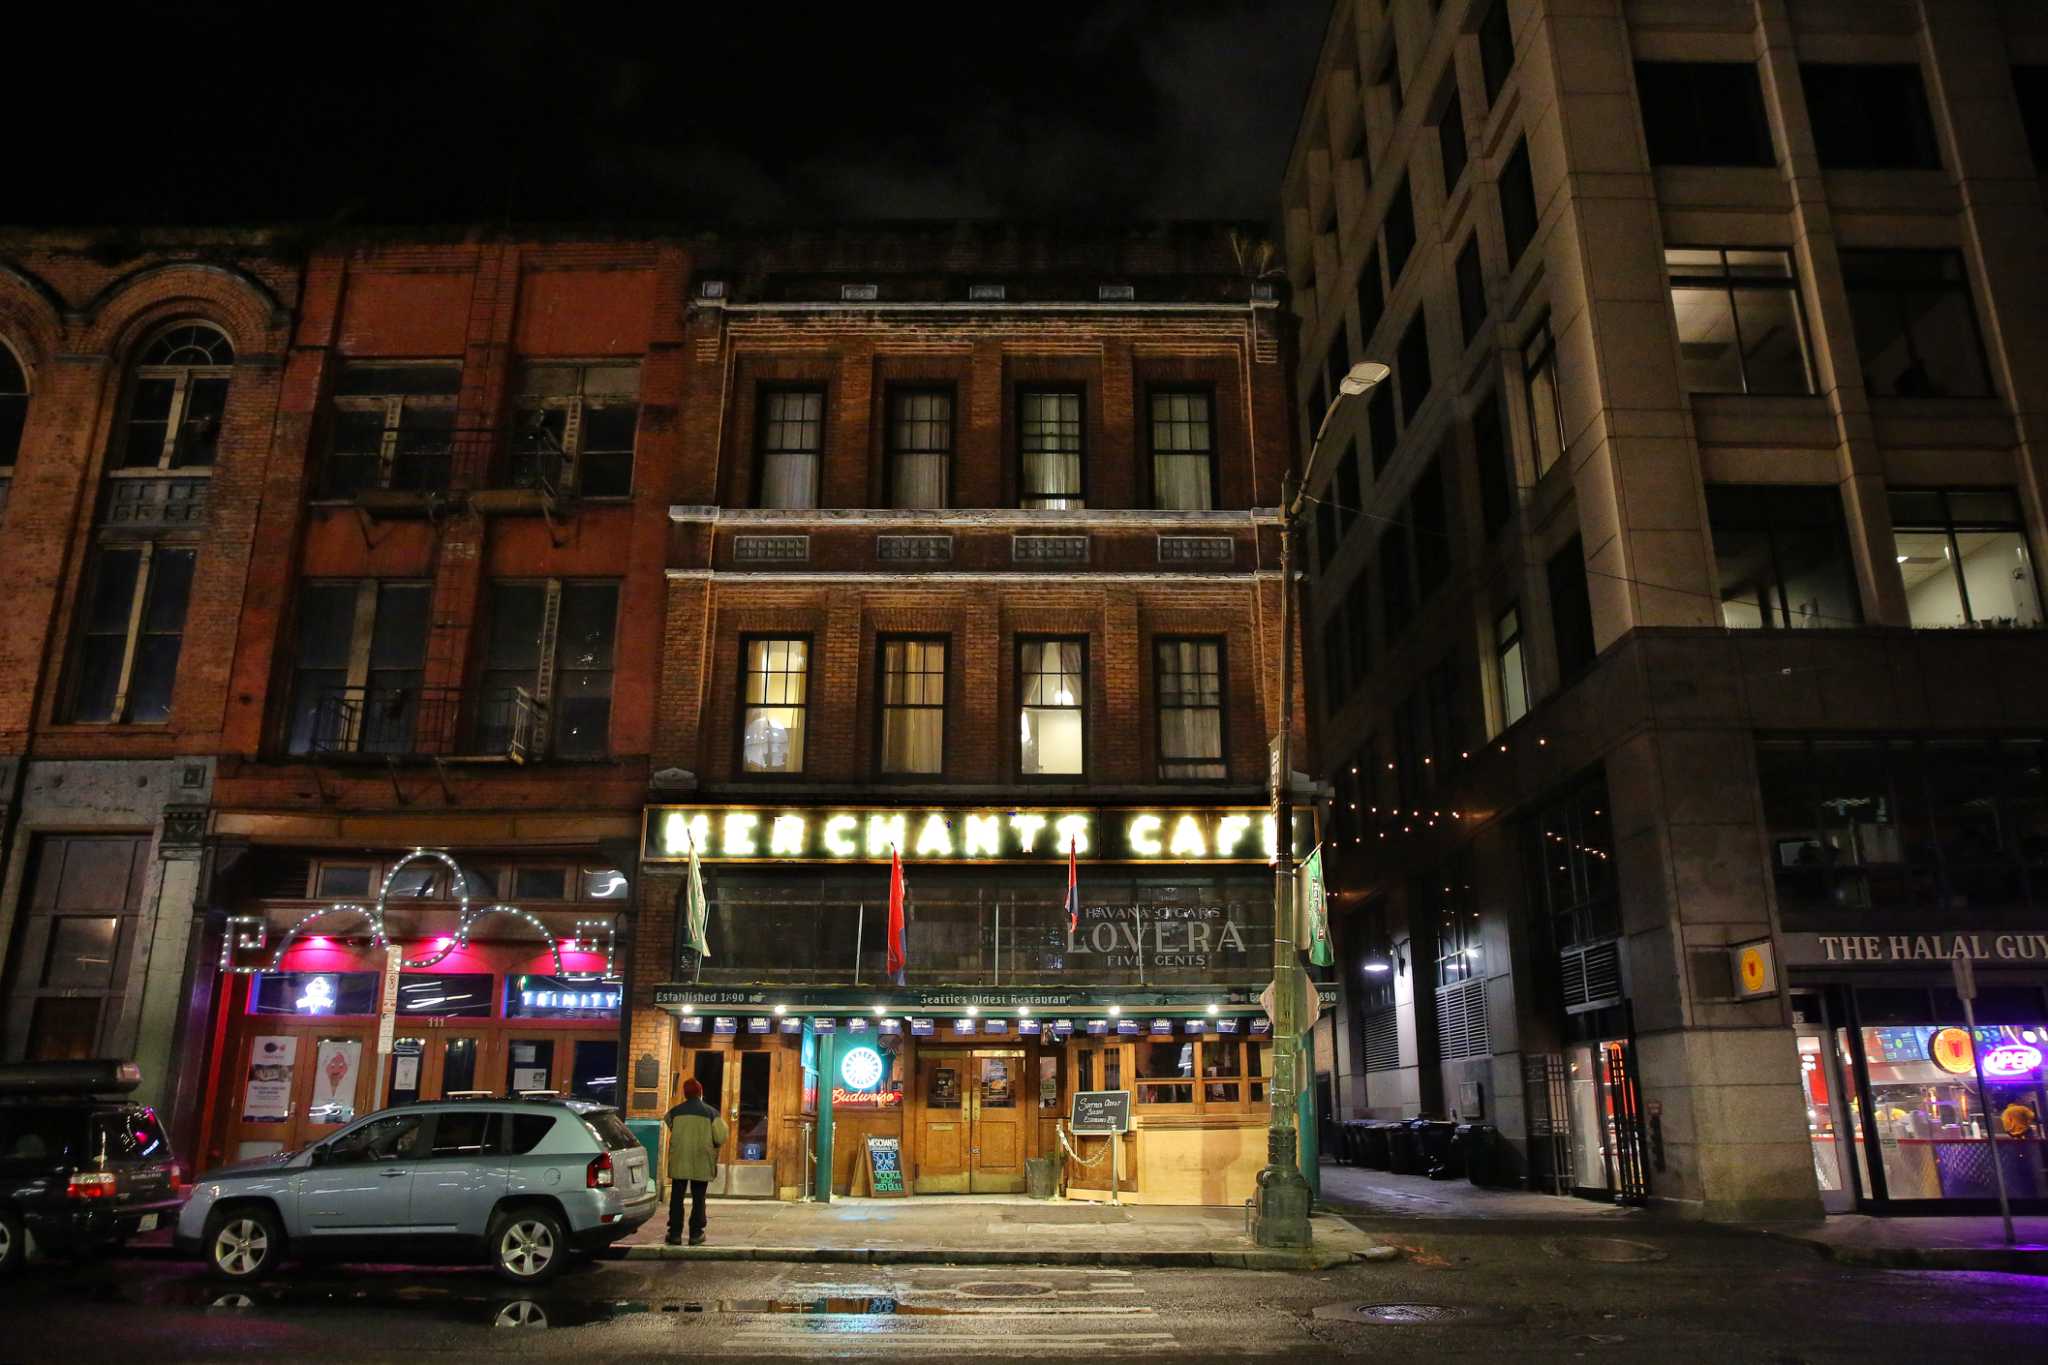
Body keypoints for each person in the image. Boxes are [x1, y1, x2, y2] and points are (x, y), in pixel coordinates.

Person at [664, 1077, 728, 1246]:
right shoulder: (711, 1112)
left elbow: (668, 1122)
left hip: (679, 1160)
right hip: (701, 1160)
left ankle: (675, 1234)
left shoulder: (674, 1112)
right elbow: (721, 1136)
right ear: (700, 1093)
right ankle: (696, 1233)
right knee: (699, 1198)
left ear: (685, 1093)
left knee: (677, 1197)